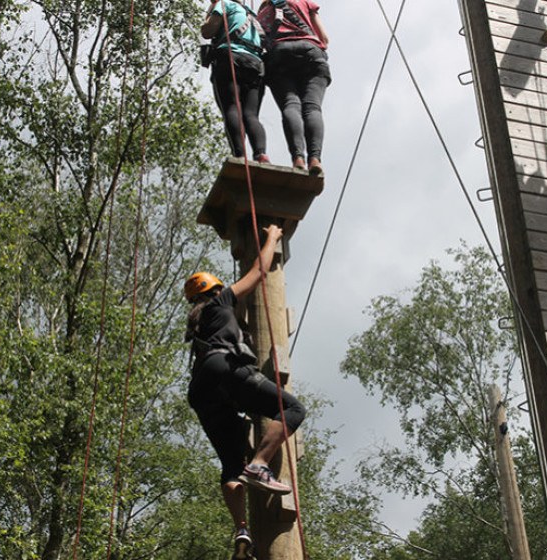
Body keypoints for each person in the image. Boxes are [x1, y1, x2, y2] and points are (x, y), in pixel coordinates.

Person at [184, 224, 306, 559]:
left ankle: (241, 529)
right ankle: (261, 464)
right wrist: (272, 238)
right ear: (216, 289)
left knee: (230, 465)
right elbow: (259, 270)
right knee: (292, 410)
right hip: (224, 368)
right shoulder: (222, 301)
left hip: (201, 387)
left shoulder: (198, 322)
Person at [257, 0, 330, 174]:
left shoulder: (262, 14)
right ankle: (315, 159)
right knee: (312, 108)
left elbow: (260, 43)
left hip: (279, 54)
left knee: (291, 105)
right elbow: (325, 39)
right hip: (310, 51)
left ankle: (298, 158)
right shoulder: (303, 2)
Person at [202, 0, 270, 162]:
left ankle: (240, 156)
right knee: (251, 115)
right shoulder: (253, 17)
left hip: (230, 58)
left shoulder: (225, 4)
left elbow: (207, 31)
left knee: (232, 108)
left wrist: (211, 9)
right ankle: (261, 153)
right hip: (255, 64)